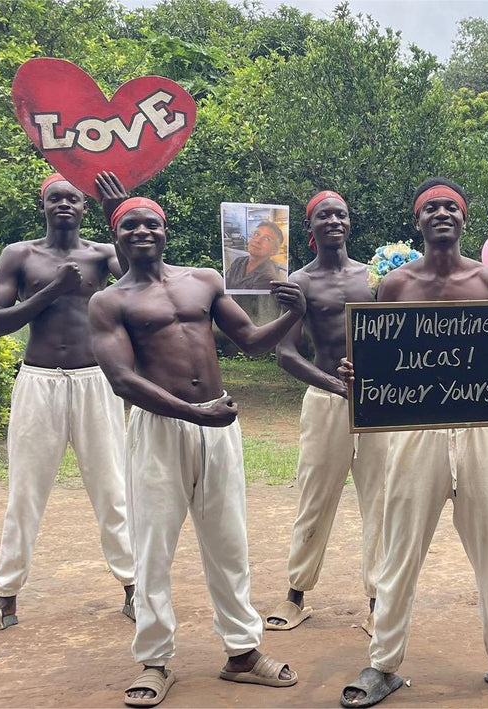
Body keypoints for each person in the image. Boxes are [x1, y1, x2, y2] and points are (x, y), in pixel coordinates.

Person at [338, 178, 488, 707]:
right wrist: (357, 374)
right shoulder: (395, 286)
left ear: (463, 218)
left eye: (450, 207)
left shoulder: (487, 281)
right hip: (414, 435)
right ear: (417, 221)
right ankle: (382, 664)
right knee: (400, 549)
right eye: (430, 207)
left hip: (476, 431)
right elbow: (379, 363)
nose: (441, 213)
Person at [88, 196, 304, 706]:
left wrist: (292, 315)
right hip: (161, 429)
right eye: (130, 225)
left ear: (166, 230)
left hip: (217, 424)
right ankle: (156, 660)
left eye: (152, 223)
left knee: (228, 542)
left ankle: (243, 653)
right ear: (116, 236)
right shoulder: (109, 302)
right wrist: (193, 414)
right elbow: (122, 381)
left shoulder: (205, 279)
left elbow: (250, 341)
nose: (142, 231)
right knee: (153, 548)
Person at [0, 173, 135, 639]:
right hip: (38, 380)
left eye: (74, 198)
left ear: (84, 208)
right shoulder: (20, 255)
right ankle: (5, 598)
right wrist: (53, 290)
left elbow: (141, 283)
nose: (65, 203)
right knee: (25, 492)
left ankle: (132, 589)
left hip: (93, 379)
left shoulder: (104, 254)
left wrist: (116, 215)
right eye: (55, 197)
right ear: (42, 204)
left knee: (113, 490)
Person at [264, 190, 387, 633]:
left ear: (350, 224)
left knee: (381, 501)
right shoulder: (299, 281)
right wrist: (335, 385)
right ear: (311, 229)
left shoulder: (376, 277)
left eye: (341, 214)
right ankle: (296, 595)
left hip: (378, 403)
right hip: (326, 398)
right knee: (315, 496)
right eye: (324, 216)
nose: (334, 221)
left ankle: (378, 601)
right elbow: (286, 353)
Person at [225, 220, 284, 291]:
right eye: (256, 234)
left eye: (267, 238)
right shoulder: (239, 261)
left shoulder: (269, 275)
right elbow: (224, 285)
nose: (257, 240)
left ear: (274, 250)